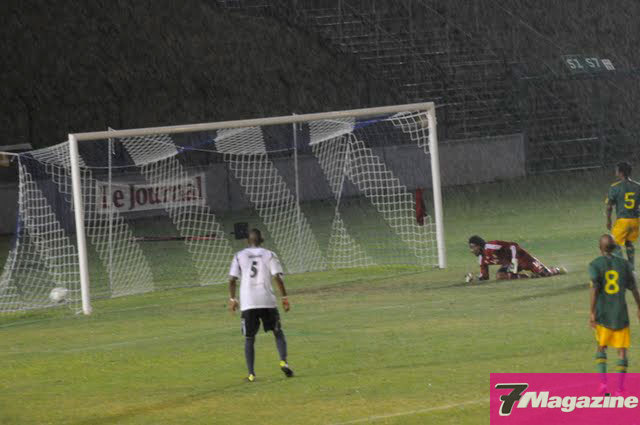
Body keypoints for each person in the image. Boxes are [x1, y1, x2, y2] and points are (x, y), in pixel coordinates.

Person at [228, 228, 294, 382]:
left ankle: (251, 374)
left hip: (248, 302)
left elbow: (232, 279)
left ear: (247, 241)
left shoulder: (239, 255)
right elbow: (277, 277)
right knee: (277, 332)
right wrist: (284, 297)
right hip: (267, 300)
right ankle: (283, 361)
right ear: (262, 240)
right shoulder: (269, 254)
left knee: (249, 338)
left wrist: (232, 299)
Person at [589, 234, 640, 393]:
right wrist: (639, 307)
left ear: (600, 248)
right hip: (620, 314)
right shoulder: (625, 265)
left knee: (601, 347)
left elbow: (595, 288)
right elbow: (634, 288)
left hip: (603, 314)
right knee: (622, 350)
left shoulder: (595, 264)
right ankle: (619, 388)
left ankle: (603, 383)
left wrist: (592, 312)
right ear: (615, 247)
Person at [466, 235, 565, 282]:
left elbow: (513, 246)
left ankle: (555, 270)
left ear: (479, 245)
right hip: (510, 264)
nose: (471, 250)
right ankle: (529, 277)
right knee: (500, 276)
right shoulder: (481, 259)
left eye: (472, 247)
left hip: (523, 258)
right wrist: (472, 279)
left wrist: (514, 261)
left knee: (545, 274)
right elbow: (484, 277)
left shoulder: (491, 246)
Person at [606, 161, 640, 268]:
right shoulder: (638, 186)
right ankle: (631, 267)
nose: (615, 172)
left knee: (614, 244)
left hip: (623, 221)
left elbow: (609, 206)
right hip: (635, 220)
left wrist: (608, 220)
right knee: (629, 243)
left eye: (616, 170)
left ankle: (622, 267)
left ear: (621, 173)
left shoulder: (615, 187)